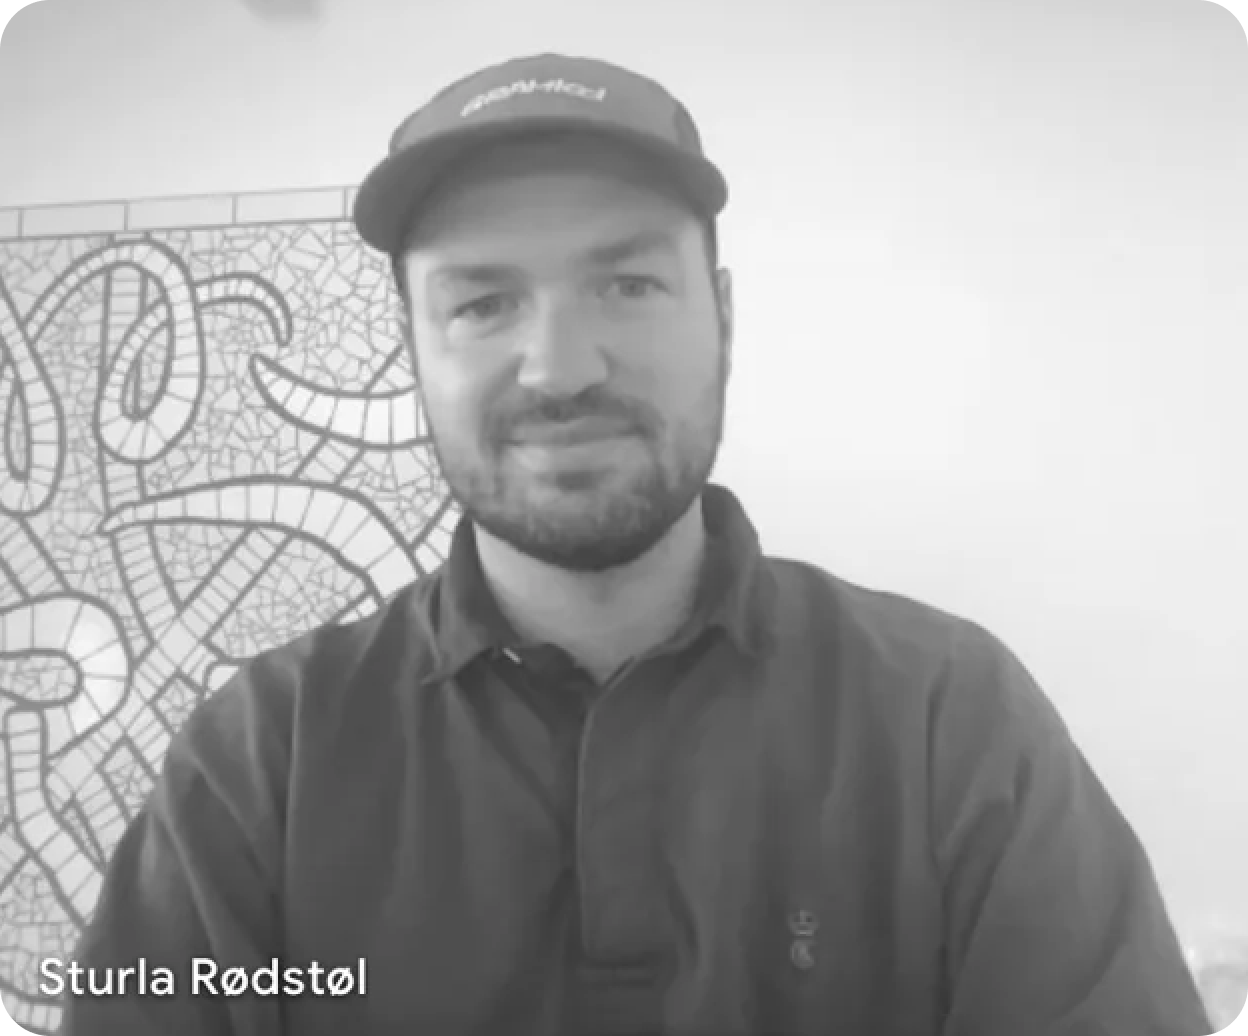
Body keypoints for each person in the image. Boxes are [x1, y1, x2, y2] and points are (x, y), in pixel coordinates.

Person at [61, 53, 1213, 1036]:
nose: (561, 367)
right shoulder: (261, 760)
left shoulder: (951, 722)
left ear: (724, 315)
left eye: (626, 281)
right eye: (482, 303)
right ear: (415, 350)